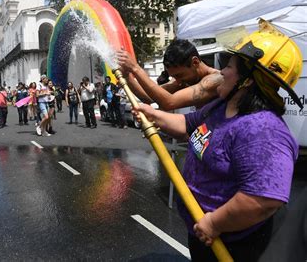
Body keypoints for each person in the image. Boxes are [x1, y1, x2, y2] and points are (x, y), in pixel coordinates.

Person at [132, 21, 302, 261]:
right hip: (204, 235)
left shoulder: (263, 130)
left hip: (233, 245)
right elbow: (187, 125)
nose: (221, 72)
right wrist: (152, 115)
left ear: (248, 80)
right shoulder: (222, 105)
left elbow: (264, 199)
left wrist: (213, 222)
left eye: (229, 66)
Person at [116, 39, 223, 110]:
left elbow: (169, 103)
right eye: (174, 76)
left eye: (180, 75)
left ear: (195, 62)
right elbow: (148, 97)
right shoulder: (181, 80)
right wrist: (127, 76)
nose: (178, 81)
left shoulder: (215, 80)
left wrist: (135, 68)